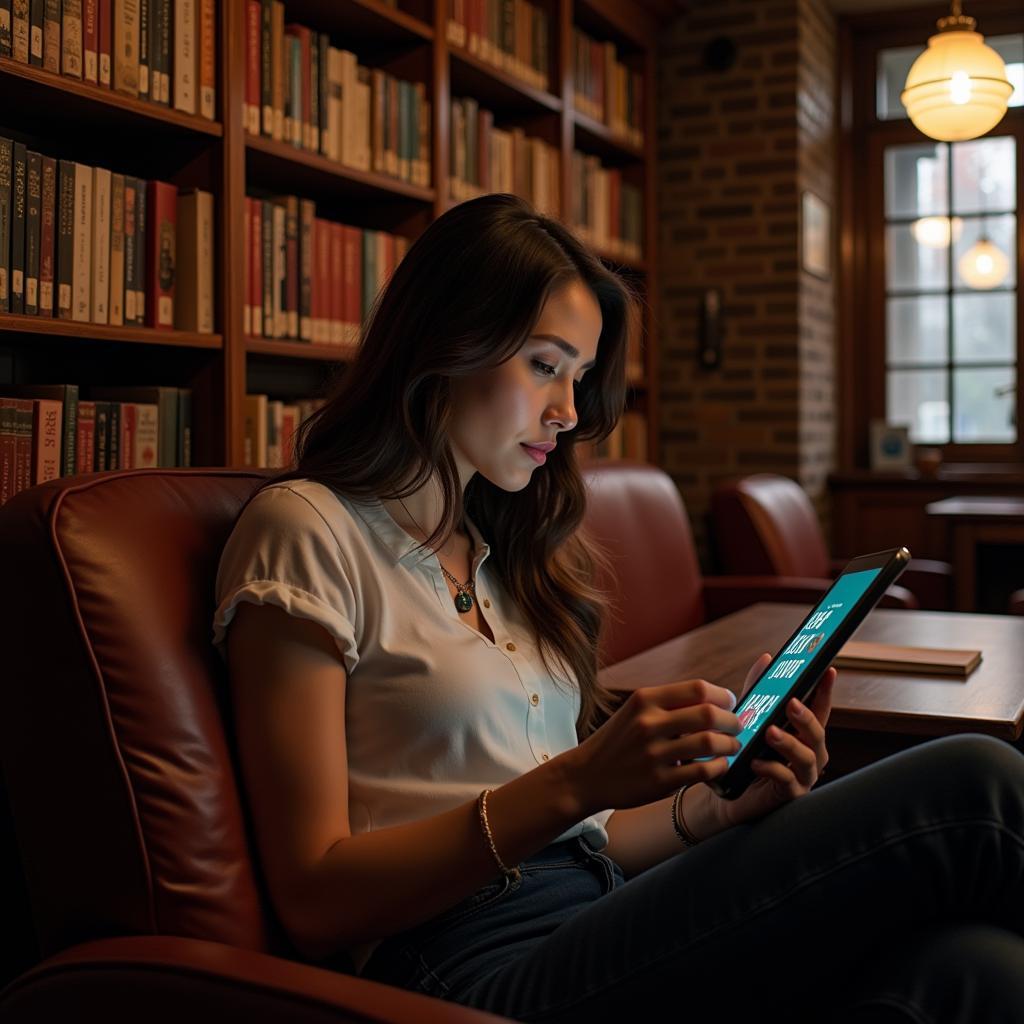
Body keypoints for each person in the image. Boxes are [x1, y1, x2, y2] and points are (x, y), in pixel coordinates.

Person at [212, 193, 1024, 1024]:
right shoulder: (308, 531)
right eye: (544, 364)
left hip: (595, 909)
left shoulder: (503, 561)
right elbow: (313, 897)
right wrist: (576, 779)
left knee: (975, 968)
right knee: (977, 782)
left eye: (579, 377)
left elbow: (593, 835)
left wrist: (717, 807)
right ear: (446, 342)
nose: (568, 413)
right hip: (465, 966)